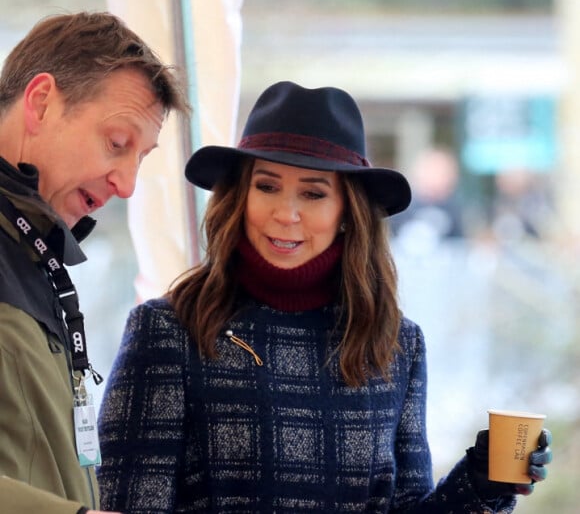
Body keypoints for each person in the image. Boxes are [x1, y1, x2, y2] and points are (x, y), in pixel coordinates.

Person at [97, 81, 552, 513]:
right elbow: (125, 507)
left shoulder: (395, 345)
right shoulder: (169, 330)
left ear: (346, 212)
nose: (286, 213)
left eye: (313, 193)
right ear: (239, 196)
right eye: (267, 185)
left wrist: (480, 483)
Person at [0, 11, 188, 514]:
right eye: (116, 145)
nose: (126, 185)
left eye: (141, 159)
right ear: (41, 102)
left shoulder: (31, 251)